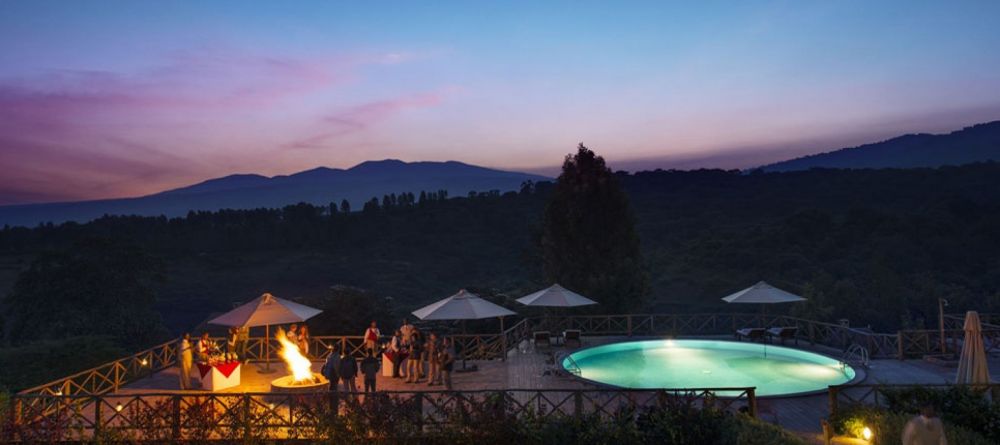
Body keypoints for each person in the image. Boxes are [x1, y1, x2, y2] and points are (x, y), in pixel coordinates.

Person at [321, 345, 342, 410]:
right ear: (338, 349)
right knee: (334, 386)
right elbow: (336, 366)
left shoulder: (329, 355)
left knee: (331, 384)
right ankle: (334, 402)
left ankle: (330, 399)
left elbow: (326, 364)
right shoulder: (337, 356)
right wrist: (338, 374)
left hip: (329, 373)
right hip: (334, 373)